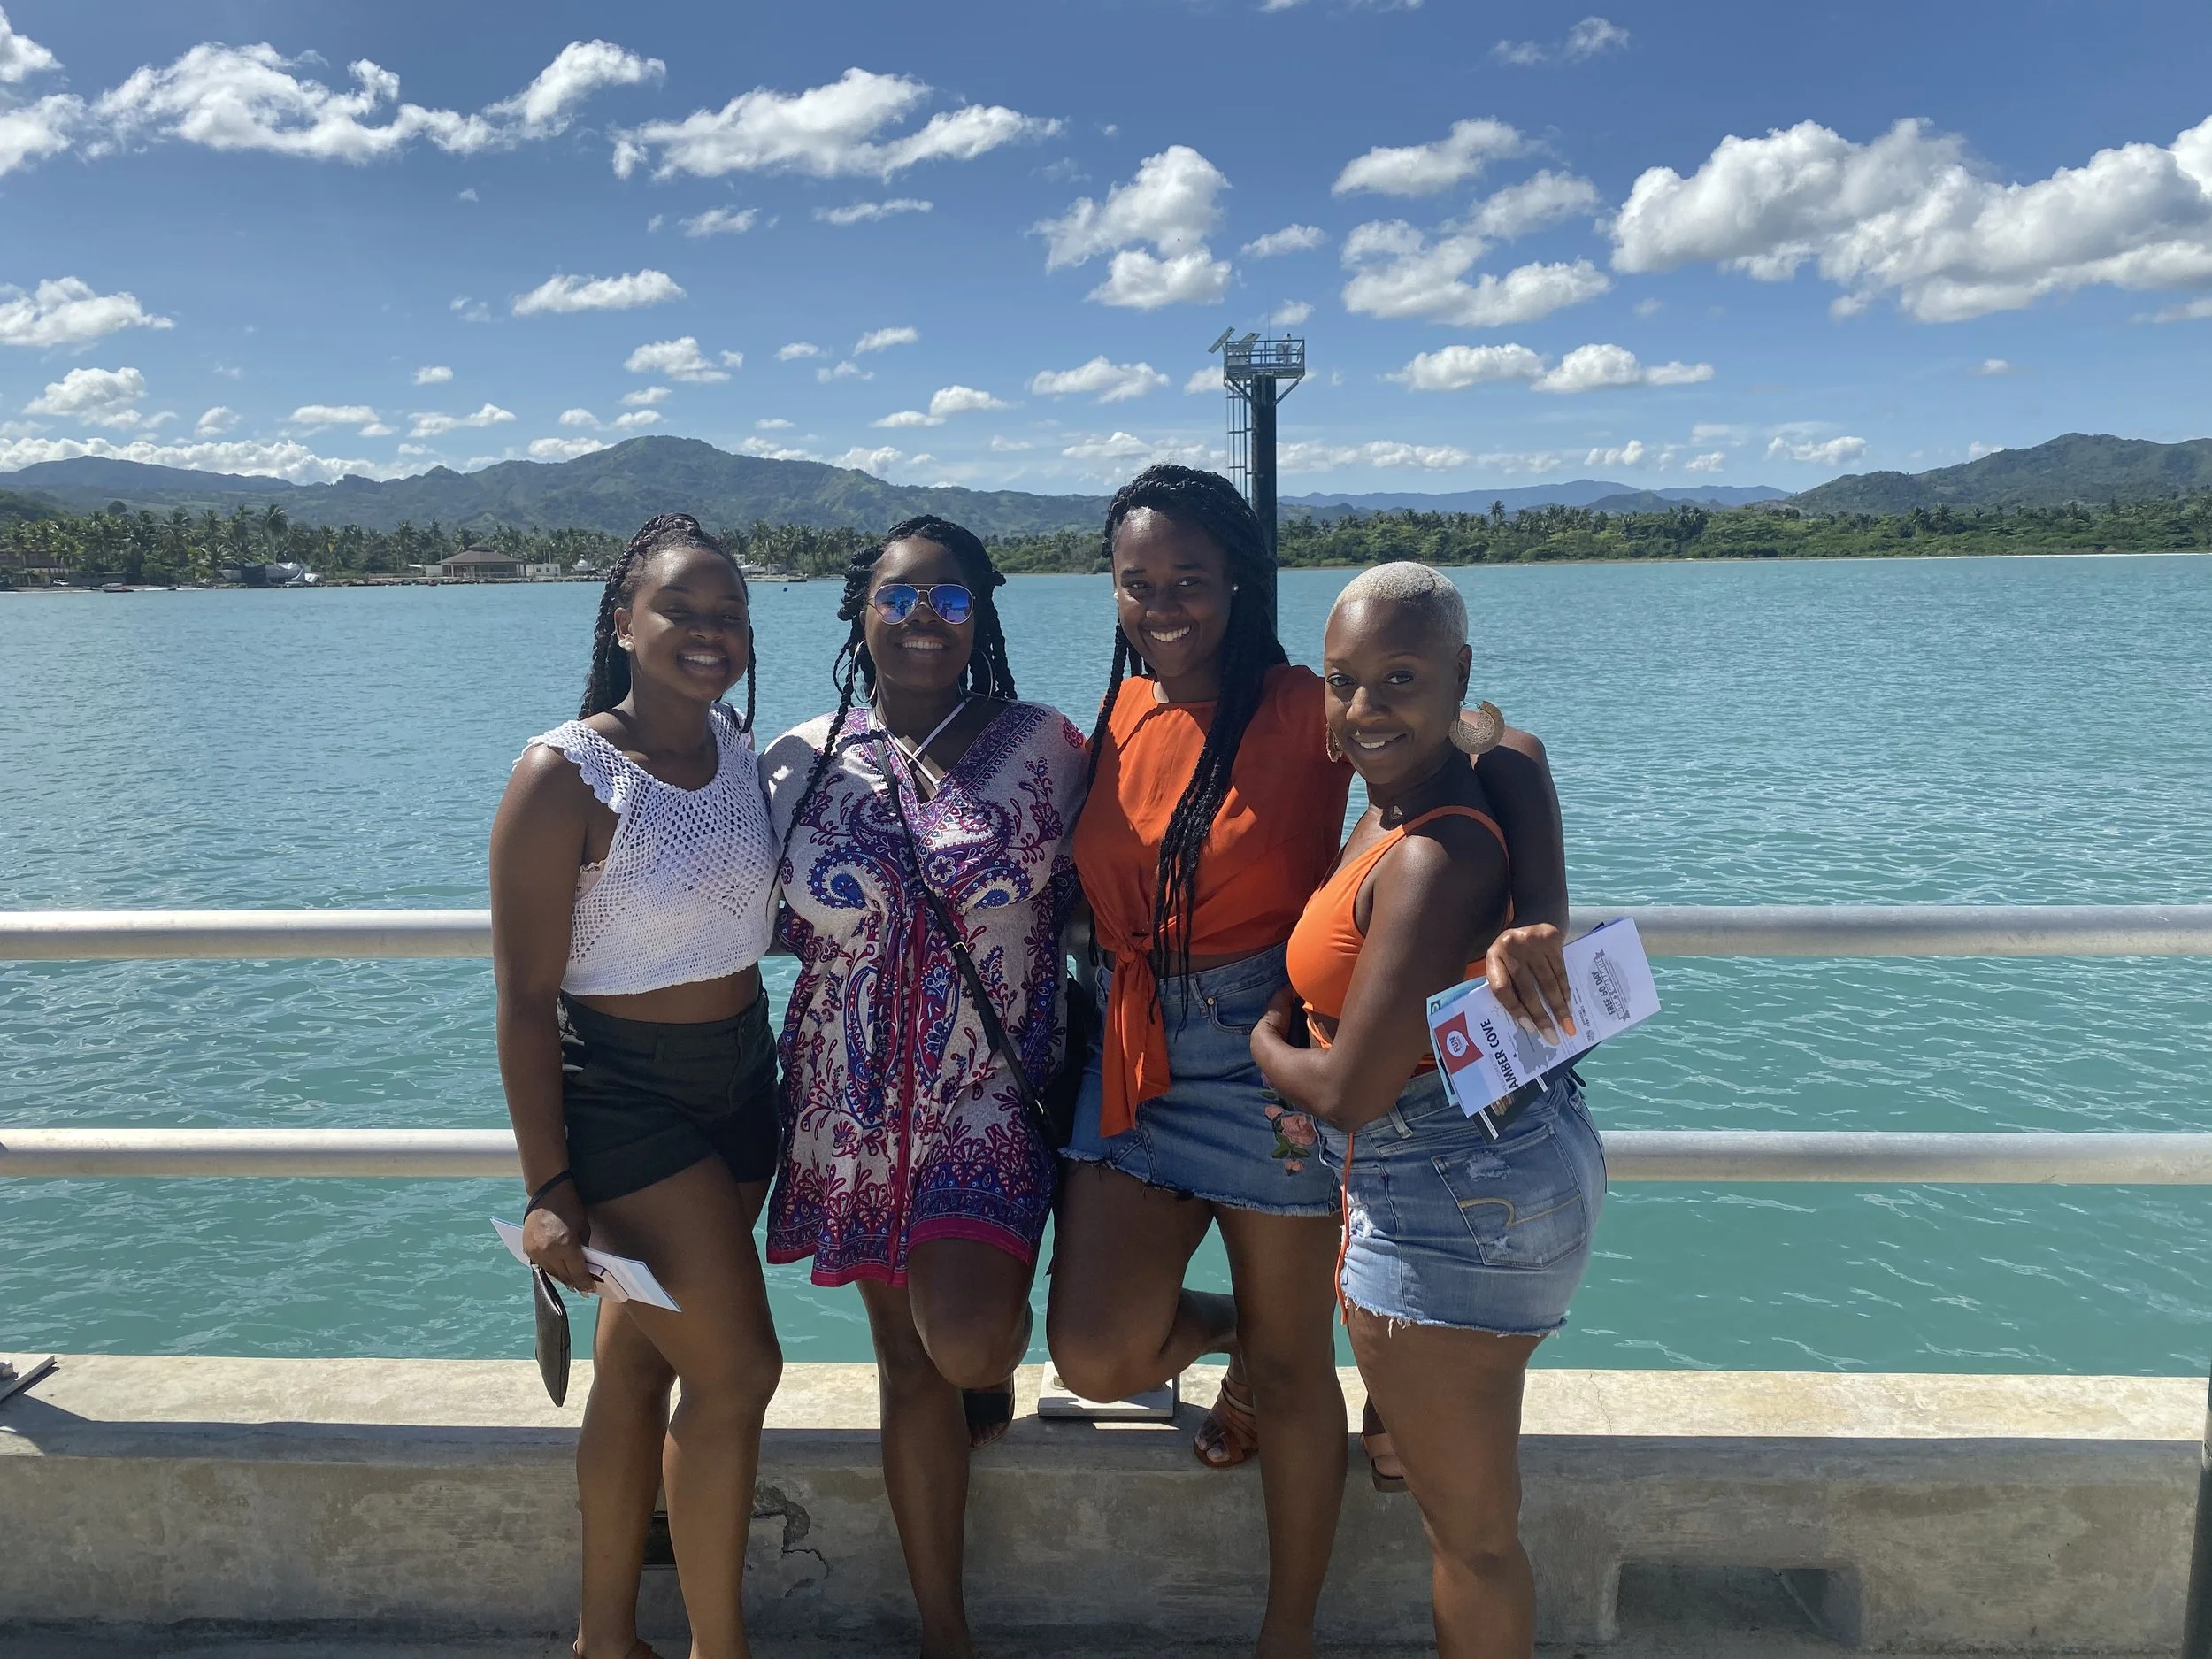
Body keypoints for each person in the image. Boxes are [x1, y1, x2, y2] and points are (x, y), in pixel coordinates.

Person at [1046, 466, 1569, 1657]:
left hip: (1267, 1040)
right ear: (1115, 590)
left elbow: (1506, 747)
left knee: (1295, 1376)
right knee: (1096, 1348)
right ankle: (1236, 1333)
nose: (1166, 601)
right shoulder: (1115, 710)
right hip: (1131, 1039)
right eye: (1141, 581)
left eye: (1191, 577)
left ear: (1237, 580)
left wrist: (1540, 911)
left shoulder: (1306, 703)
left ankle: (1287, 1631)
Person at [1252, 562, 1604, 1659]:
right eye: (1343, 680)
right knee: (1444, 1462)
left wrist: (1265, 1042)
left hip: (1443, 1185)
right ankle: (1402, 1410)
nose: (1364, 709)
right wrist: (1539, 914)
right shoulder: (1465, 778)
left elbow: (1351, 1089)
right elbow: (1523, 751)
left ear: (1459, 674)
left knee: (1472, 1538)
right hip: (1515, 1148)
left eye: (1399, 678)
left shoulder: (1426, 853)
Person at [761, 515, 1086, 1659]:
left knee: (964, 1342)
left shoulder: (1048, 742)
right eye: (899, 598)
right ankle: (944, 1629)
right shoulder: (797, 760)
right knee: (906, 1362)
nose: (923, 621)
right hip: (849, 1104)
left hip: (990, 1091)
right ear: (861, 610)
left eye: (950, 600)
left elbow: (1132, 885)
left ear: (982, 615)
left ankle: (1005, 1355)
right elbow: (720, 902)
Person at [489, 514, 784, 1659]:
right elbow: (522, 998)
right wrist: (549, 1181)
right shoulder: (563, 772)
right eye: (682, 609)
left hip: (740, 1082)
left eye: (730, 613)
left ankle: (604, 1636)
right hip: (620, 1097)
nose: (710, 632)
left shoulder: (744, 750)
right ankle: (723, 1646)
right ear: (623, 621)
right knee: (742, 1367)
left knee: (642, 1356)